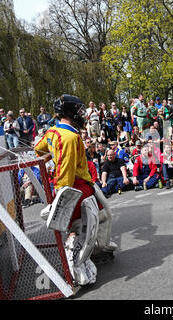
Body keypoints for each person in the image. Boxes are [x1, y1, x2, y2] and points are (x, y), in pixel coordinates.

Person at [35, 94, 117, 286]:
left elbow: (38, 149)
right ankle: (74, 267)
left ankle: (98, 248)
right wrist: (63, 199)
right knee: (79, 229)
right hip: (77, 188)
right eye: (79, 110)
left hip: (80, 184)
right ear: (70, 112)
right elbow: (65, 172)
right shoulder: (69, 136)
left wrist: (50, 158)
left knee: (104, 215)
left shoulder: (52, 132)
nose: (82, 114)